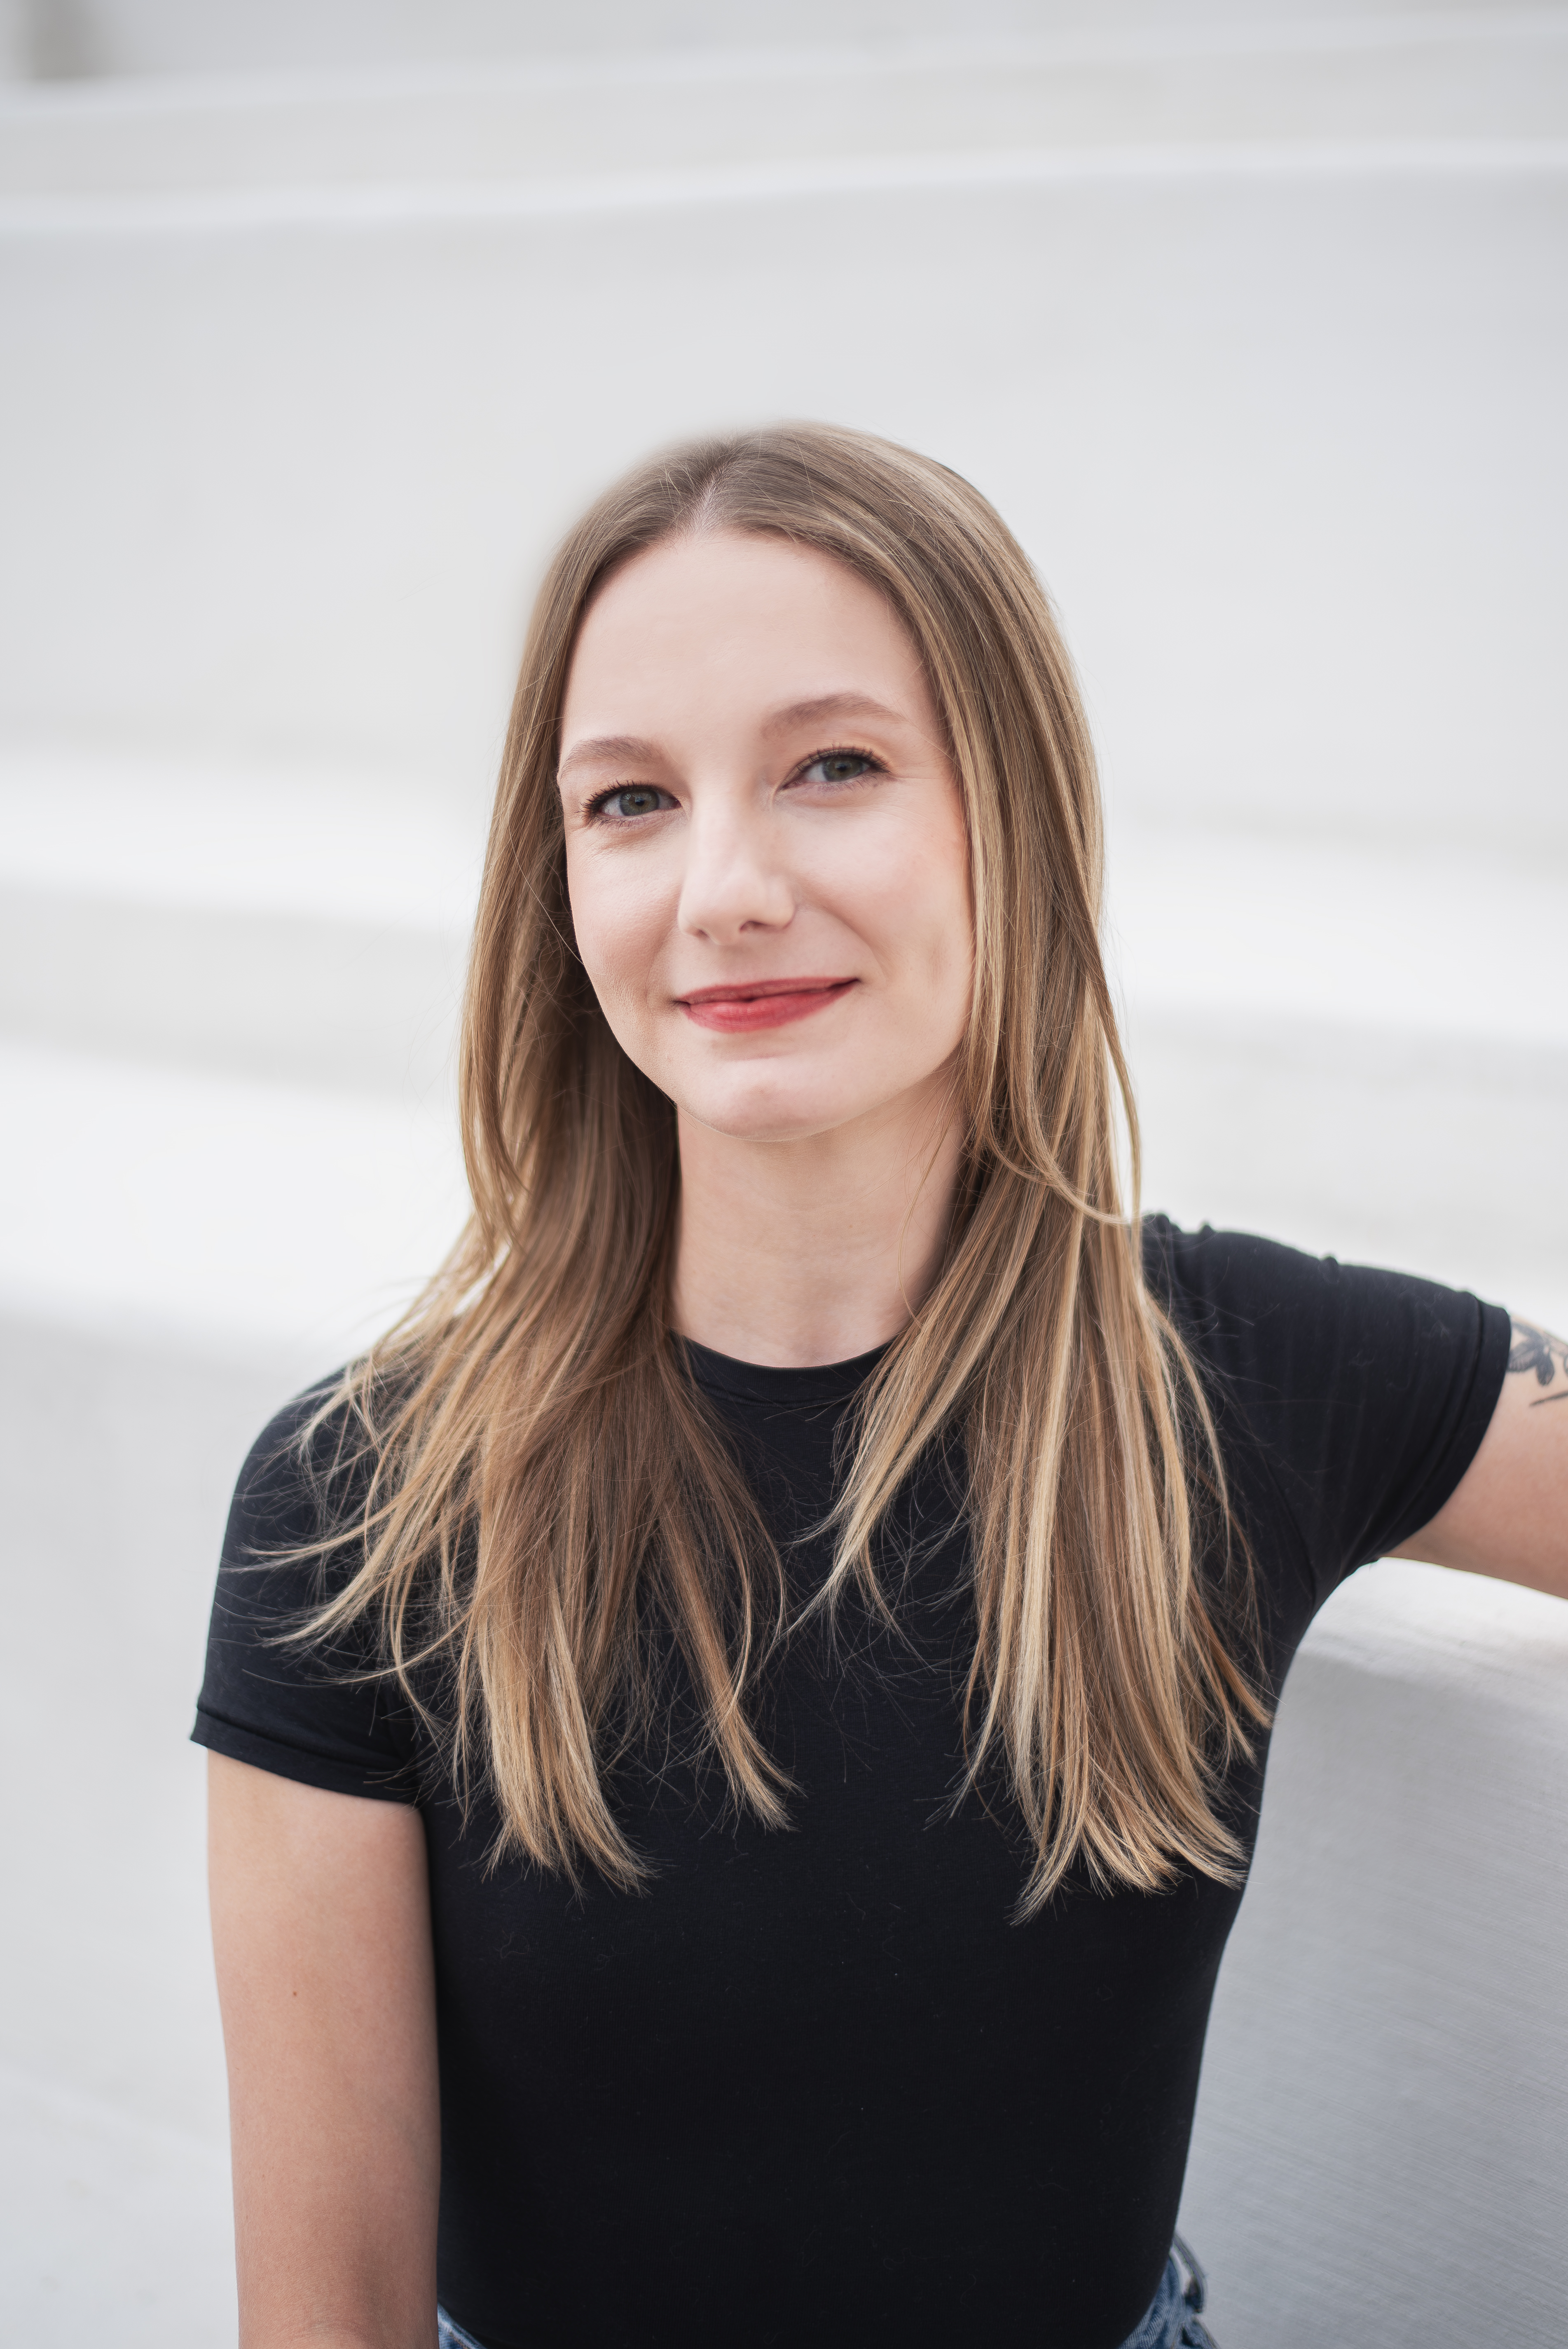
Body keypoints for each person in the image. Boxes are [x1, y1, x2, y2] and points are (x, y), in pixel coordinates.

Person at [195, 423, 1567, 2349]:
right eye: (629, 800)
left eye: (831, 767)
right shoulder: (358, 1504)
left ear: (1010, 813)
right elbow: (322, 2317)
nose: (725, 889)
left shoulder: (1253, 1378)